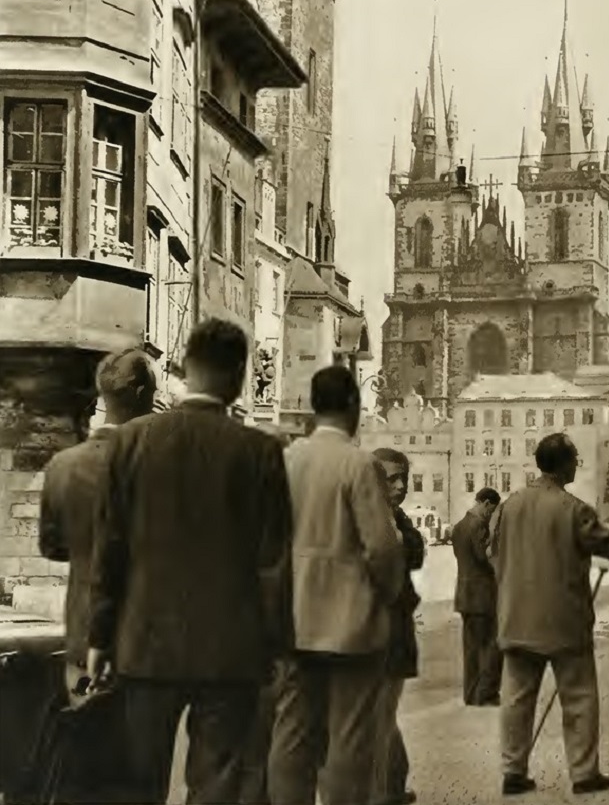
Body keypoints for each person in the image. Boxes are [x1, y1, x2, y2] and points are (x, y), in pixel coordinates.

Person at [87, 319, 293, 805]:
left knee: (141, 781)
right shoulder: (261, 452)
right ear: (241, 374)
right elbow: (274, 560)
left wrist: (100, 635)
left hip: (145, 640)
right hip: (231, 647)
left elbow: (110, 546)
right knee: (217, 780)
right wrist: (278, 645)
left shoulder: (130, 442)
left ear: (186, 365)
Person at [267, 366, 405, 805]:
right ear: (353, 406)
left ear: (313, 406)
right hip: (351, 627)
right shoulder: (358, 463)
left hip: (293, 621)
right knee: (349, 738)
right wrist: (387, 594)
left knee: (291, 733)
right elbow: (381, 548)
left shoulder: (287, 460)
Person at [490, 433, 609, 797]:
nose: (577, 466)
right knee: (579, 697)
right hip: (563, 620)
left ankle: (513, 772)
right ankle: (584, 774)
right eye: (575, 460)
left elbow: (493, 551)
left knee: (516, 700)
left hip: (517, 617)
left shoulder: (510, 505)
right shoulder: (574, 509)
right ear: (565, 464)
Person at [39, 349, 156, 698]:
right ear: (142, 394)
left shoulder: (63, 466)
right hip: (147, 637)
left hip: (83, 629)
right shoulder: (159, 465)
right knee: (144, 749)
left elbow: (52, 546)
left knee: (83, 736)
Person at [371, 448, 425, 805]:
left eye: (404, 477)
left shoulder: (396, 518)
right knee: (379, 719)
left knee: (381, 718)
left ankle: (386, 791)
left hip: (392, 636)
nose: (401, 485)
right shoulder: (369, 518)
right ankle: (387, 790)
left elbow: (416, 553)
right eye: (391, 478)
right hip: (374, 635)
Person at [451, 487, 503, 706]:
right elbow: (484, 558)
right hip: (482, 596)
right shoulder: (478, 525)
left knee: (471, 649)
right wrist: (496, 540)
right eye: (491, 510)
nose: (490, 515)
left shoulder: (459, 526)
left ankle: (470, 695)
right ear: (486, 504)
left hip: (464, 594)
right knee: (490, 645)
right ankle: (486, 695)